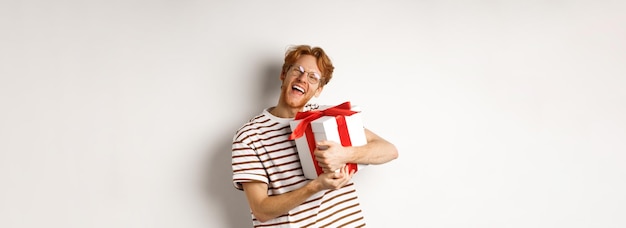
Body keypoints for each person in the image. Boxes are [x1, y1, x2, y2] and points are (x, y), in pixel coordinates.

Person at [231, 44, 398, 227]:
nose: (303, 79)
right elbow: (261, 210)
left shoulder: (329, 118)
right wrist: (316, 186)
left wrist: (344, 154)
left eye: (313, 77)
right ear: (283, 74)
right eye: (298, 70)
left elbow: (389, 150)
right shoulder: (249, 137)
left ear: (318, 89)